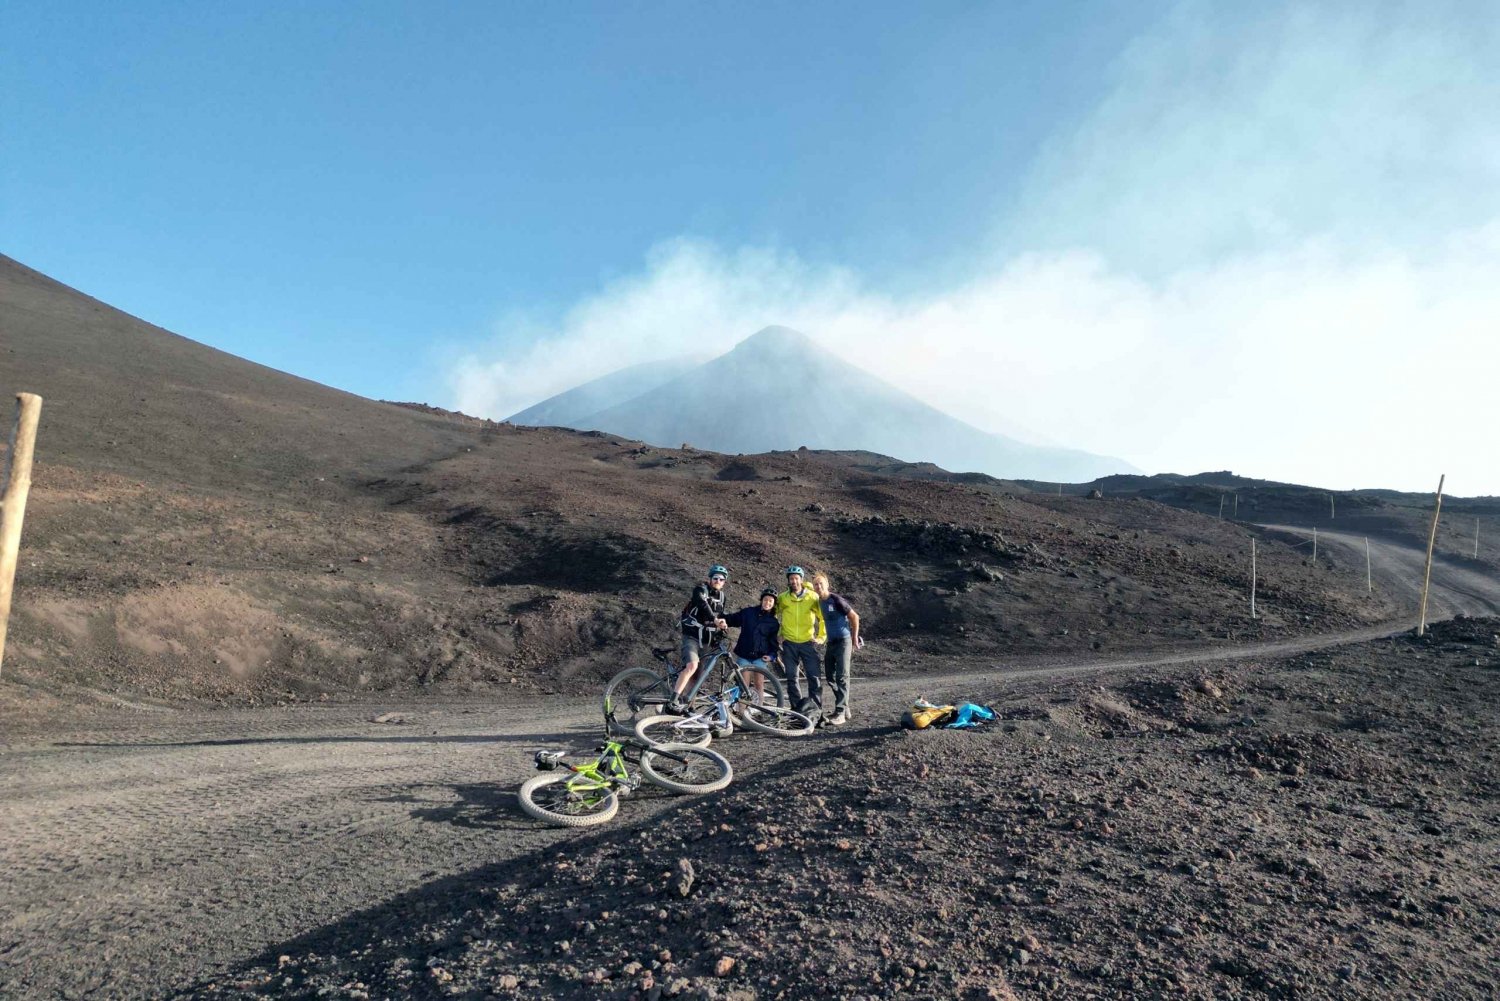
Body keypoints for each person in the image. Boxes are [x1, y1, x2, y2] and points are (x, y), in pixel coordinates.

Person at [673, 564, 729, 711]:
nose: (718, 581)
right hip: (691, 636)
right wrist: (714, 619)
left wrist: (721, 627)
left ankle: (687, 706)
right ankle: (673, 701)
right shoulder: (700, 589)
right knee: (692, 666)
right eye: (715, 578)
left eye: (721, 579)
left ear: (724, 582)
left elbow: (719, 616)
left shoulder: (722, 597)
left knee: (697, 676)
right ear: (710, 579)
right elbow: (702, 603)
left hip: (706, 641)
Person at [775, 565, 827, 720]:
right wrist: (779, 634)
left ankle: (816, 710)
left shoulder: (812, 597)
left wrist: (820, 637)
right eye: (791, 579)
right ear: (788, 581)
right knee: (792, 677)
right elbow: (774, 615)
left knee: (814, 677)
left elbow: (823, 618)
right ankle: (797, 710)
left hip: (808, 643)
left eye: (797, 578)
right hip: (789, 643)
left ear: (801, 580)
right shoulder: (783, 598)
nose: (794, 581)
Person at [811, 572, 861, 726]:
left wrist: (854, 638)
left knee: (842, 676)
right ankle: (844, 707)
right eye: (816, 584)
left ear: (827, 585)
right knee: (830, 676)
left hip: (844, 641)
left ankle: (840, 712)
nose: (818, 587)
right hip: (831, 642)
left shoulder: (836, 600)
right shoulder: (818, 601)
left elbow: (855, 617)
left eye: (821, 584)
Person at [723, 588, 782, 703]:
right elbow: (732, 619)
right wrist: (718, 618)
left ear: (774, 604)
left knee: (759, 684)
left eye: (770, 601)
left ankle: (759, 710)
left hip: (760, 658)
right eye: (765, 600)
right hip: (744, 655)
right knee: (744, 684)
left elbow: (773, 642)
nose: (767, 603)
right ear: (761, 600)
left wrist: (771, 656)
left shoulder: (773, 623)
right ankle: (742, 713)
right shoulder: (748, 612)